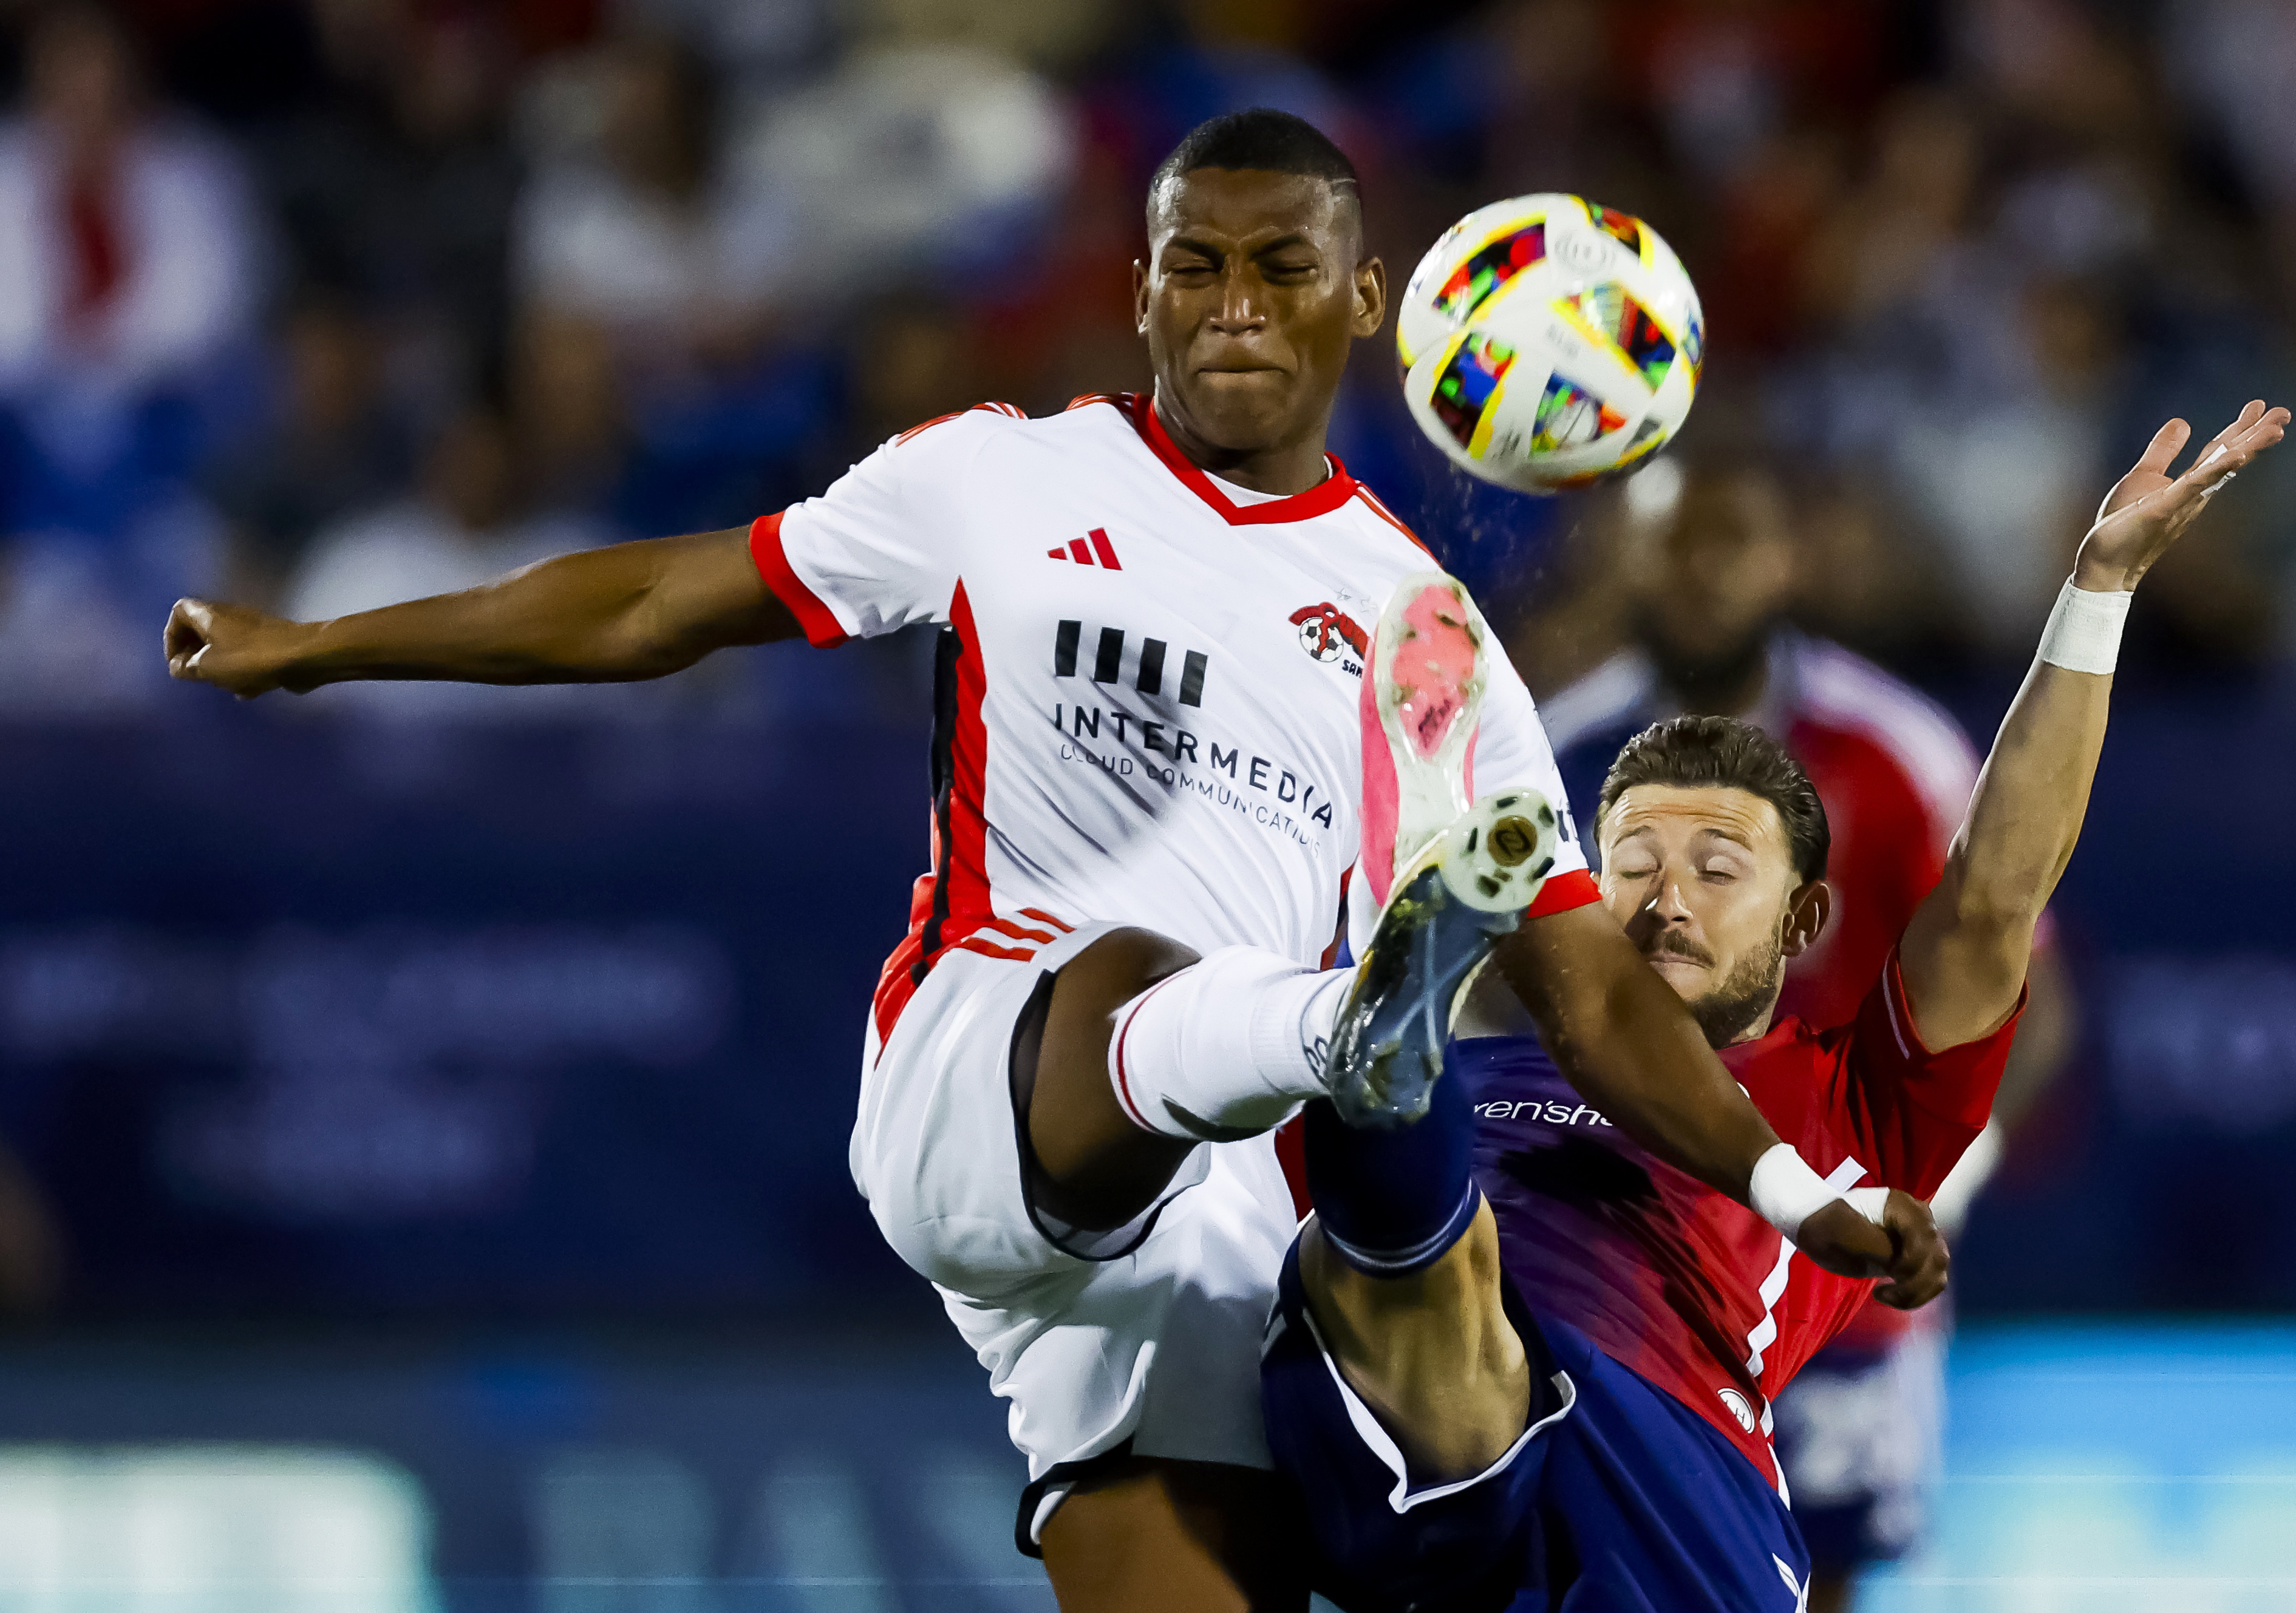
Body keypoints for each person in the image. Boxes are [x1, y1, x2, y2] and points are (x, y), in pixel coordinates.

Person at [163, 110, 1924, 1612]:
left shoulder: (1426, 630)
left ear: (1364, 304)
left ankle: (1359, 1047)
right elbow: (650, 602)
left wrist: (1794, 1195)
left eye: (1281, 270)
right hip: (987, 1066)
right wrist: (314, 642)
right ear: (1144, 286)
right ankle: (1353, 1034)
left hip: (1210, 1235)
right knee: (1146, 977)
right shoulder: (999, 478)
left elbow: (1601, 1001)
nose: (1234, 308)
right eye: (1196, 267)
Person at [1259, 403, 2289, 1611]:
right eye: (1631, 863)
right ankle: (1392, 1061)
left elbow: (1997, 888)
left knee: (1436, 1245)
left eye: (1716, 867)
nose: (1665, 898)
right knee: (1403, 1235)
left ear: (1804, 924)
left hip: (1656, 1457)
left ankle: (1394, 1075)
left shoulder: (1850, 1111)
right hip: (1405, 1381)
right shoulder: (1499, 1054)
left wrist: (2099, 590)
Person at [1532, 455, 2079, 1609]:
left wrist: (1946, 1180)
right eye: (1674, 543)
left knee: (1818, 1579)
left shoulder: (1890, 753)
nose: (1700, 575)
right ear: (1628, 555)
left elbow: (2019, 983)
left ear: (1786, 557)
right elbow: (1492, 1000)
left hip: (1832, 1239)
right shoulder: (1544, 755)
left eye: (1730, 543)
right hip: (1622, 1246)